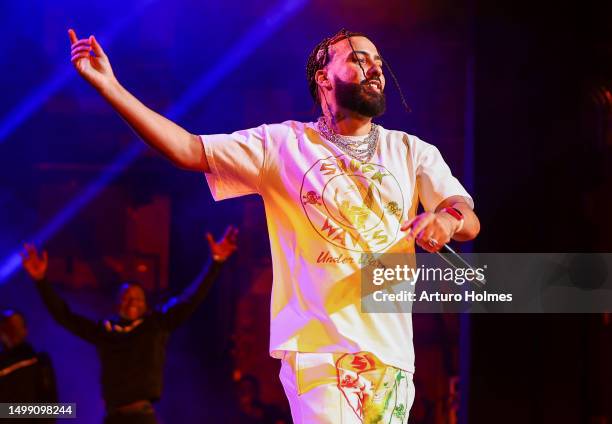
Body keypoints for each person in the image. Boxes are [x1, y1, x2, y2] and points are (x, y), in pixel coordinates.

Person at [67, 27, 480, 423]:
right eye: (358, 59)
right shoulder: (283, 145)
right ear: (324, 78)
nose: (375, 68)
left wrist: (446, 219)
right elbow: (188, 149)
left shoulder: (410, 151)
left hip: (392, 359)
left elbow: (465, 215)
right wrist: (111, 89)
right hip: (322, 354)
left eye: (378, 62)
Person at [21, 226, 238, 424]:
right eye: (127, 297)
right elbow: (64, 316)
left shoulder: (156, 325)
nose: (132, 301)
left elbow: (191, 298)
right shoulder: (105, 331)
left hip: (142, 417)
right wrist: (41, 282)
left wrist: (216, 262)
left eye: (138, 297)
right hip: (113, 417)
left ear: (145, 305)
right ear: (117, 305)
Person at [0, 309, 58, 424]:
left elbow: (49, 410)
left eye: (15, 326)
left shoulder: (39, 362)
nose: (11, 332)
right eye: (6, 328)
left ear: (25, 330)